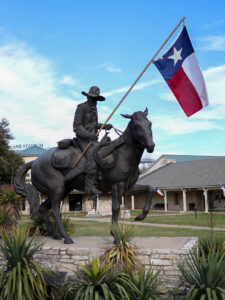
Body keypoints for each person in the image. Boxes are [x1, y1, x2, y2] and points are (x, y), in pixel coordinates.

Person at [65, 86, 112, 195]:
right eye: (93, 98)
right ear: (88, 97)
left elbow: (93, 125)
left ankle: (100, 178)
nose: (95, 101)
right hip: (82, 139)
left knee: (103, 151)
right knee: (93, 153)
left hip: (92, 139)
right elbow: (77, 127)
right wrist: (89, 135)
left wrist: (104, 126)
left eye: (96, 99)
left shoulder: (94, 108)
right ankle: (89, 186)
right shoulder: (81, 107)